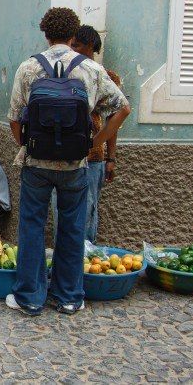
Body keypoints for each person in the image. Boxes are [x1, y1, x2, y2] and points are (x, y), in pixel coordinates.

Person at [7, 7, 130, 316]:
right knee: (73, 228)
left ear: (45, 33)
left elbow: (13, 120)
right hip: (75, 165)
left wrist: (29, 144)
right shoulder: (90, 69)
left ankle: (30, 297)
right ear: (74, 35)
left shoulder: (28, 68)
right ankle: (69, 297)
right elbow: (122, 108)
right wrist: (94, 144)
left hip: (36, 164)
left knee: (32, 227)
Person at [49, 25, 122, 242]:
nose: (72, 50)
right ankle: (62, 260)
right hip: (65, 155)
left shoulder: (106, 77)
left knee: (88, 210)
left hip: (92, 158)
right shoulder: (64, 73)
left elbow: (115, 118)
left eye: (76, 46)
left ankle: (85, 260)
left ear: (90, 46)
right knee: (61, 210)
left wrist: (110, 156)